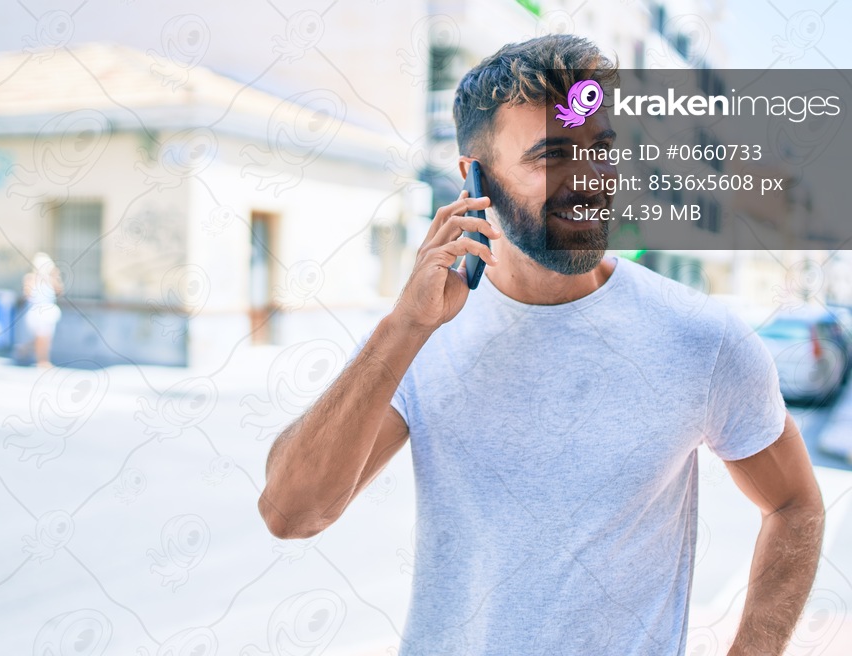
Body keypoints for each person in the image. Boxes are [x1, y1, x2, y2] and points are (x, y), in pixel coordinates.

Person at [257, 35, 825, 655]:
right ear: (476, 178)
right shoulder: (418, 336)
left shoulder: (700, 337)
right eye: (551, 155)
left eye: (601, 149)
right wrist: (403, 329)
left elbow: (795, 504)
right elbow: (292, 513)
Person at [21, 252, 63, 368]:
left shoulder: (51, 279)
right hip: (36, 313)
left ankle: (24, 350)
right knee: (41, 337)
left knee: (45, 338)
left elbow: (59, 290)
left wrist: (54, 276)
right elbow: (27, 293)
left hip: (48, 312)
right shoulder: (31, 278)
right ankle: (42, 361)